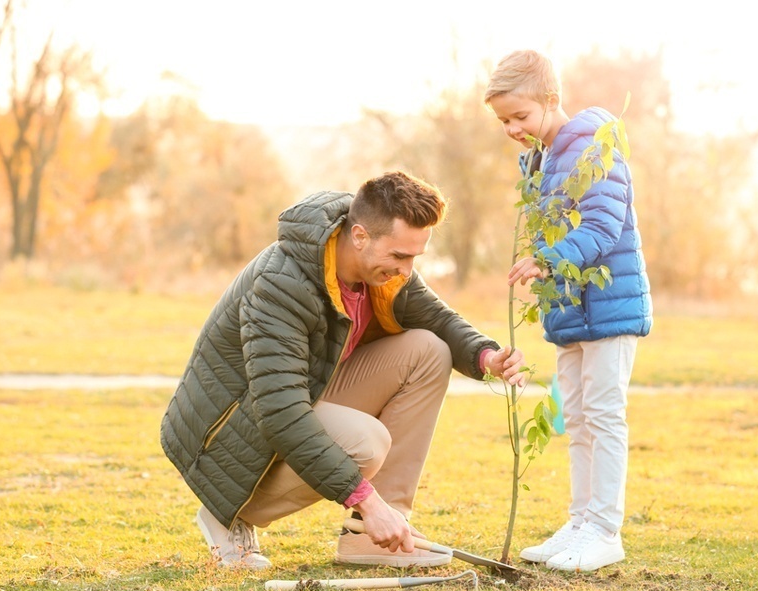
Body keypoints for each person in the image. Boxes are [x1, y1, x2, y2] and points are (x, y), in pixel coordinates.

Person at [160, 171, 526, 570]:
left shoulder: (380, 268)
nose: (406, 270)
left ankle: (371, 538)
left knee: (428, 350)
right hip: (228, 434)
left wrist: (486, 356)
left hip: (299, 397)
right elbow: (280, 412)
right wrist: (366, 500)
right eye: (400, 256)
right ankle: (227, 511)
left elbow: (437, 318)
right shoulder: (282, 285)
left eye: (413, 257)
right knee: (365, 442)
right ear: (360, 236)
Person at [484, 50, 653, 572]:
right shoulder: (539, 160)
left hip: (607, 308)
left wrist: (546, 260)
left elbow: (602, 225)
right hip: (570, 314)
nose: (513, 129)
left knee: (603, 415)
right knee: (575, 418)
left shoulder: (591, 146)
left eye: (521, 117)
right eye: (504, 121)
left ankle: (605, 530)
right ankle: (580, 522)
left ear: (551, 100)